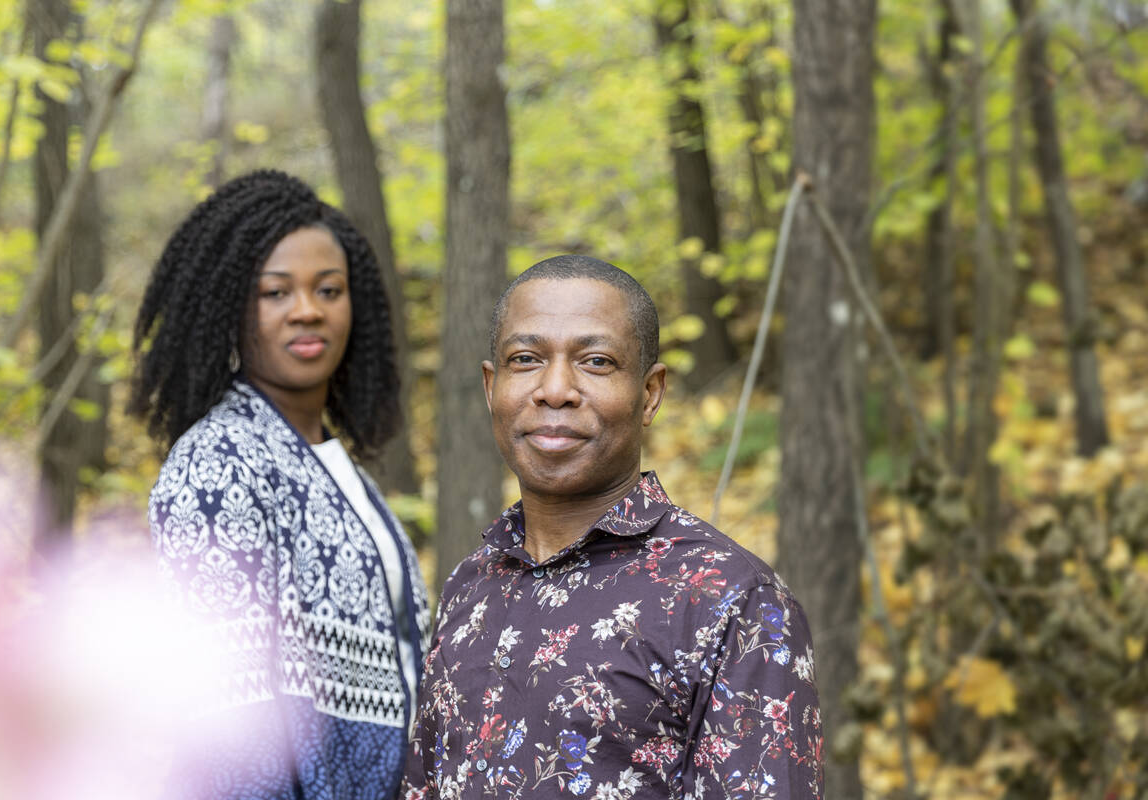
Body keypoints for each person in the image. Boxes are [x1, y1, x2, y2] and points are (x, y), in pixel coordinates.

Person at [401, 255, 823, 800]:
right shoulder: (470, 585)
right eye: (526, 359)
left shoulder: (732, 601)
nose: (555, 389)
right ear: (491, 387)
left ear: (649, 394)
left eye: (596, 362)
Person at [131, 169, 430, 799]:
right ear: (229, 309)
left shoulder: (332, 463)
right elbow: (228, 720)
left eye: (329, 289)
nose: (307, 311)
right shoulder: (217, 466)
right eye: (275, 292)